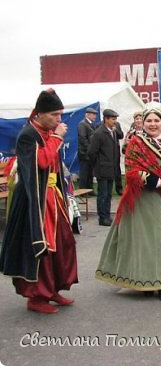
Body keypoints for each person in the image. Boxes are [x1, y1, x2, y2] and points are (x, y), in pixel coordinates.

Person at [95, 102, 161, 303]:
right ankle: (157, 284)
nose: (152, 124)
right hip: (145, 200)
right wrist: (159, 182)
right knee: (150, 243)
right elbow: (133, 172)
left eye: (156, 120)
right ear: (143, 122)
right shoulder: (136, 143)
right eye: (148, 120)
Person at [0, 88, 78, 314]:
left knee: (63, 244)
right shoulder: (28, 135)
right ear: (40, 114)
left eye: (60, 115)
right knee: (41, 247)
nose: (59, 119)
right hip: (35, 201)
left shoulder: (47, 133)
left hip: (54, 197)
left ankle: (53, 290)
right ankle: (36, 297)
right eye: (54, 115)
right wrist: (56, 138)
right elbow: (41, 162)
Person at [88, 109, 120, 226]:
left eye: (115, 119)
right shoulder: (99, 133)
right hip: (102, 168)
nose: (115, 121)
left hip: (111, 168)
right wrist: (98, 164)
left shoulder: (113, 131)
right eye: (112, 119)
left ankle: (107, 215)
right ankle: (102, 217)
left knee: (109, 194)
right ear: (106, 119)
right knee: (103, 194)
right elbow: (92, 152)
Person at [77, 107, 98, 195]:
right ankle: (82, 190)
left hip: (90, 153)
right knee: (84, 173)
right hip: (84, 153)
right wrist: (89, 149)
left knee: (90, 173)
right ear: (87, 115)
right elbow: (83, 139)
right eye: (93, 114)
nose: (95, 116)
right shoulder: (82, 124)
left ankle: (90, 189)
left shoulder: (91, 124)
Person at [113, 120, 124, 195]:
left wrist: (116, 130)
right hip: (106, 152)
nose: (114, 120)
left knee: (117, 170)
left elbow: (121, 135)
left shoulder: (117, 124)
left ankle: (119, 188)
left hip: (115, 151)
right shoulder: (101, 125)